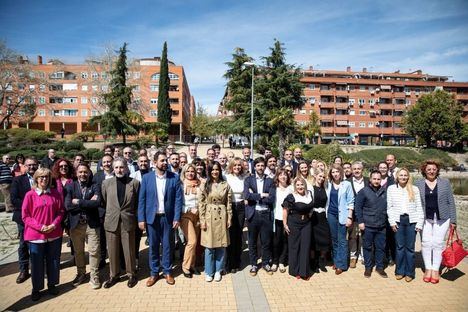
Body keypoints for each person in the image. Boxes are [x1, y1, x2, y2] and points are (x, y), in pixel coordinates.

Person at [138, 152, 183, 286]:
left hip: (168, 219)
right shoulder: (146, 178)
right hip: (152, 218)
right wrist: (141, 219)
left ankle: (167, 271)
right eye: (162, 160)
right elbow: (142, 200)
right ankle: (154, 273)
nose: (165, 163)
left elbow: (178, 200)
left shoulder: (174, 178)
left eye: (166, 160)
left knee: (167, 246)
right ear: (155, 162)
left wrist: (176, 217)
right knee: (153, 246)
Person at [22, 168, 64, 301]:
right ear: (36, 179)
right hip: (36, 236)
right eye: (41, 177)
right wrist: (40, 227)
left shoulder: (55, 194)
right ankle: (36, 288)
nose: (44, 179)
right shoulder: (30, 195)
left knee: (54, 261)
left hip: (54, 233)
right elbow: (25, 216)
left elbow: (61, 212)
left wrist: (53, 225)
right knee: (36, 264)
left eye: (46, 177)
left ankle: (52, 284)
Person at [415, 160, 457, 284]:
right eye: (429, 169)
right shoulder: (419, 183)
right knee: (426, 243)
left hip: (443, 218)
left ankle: (435, 270)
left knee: (438, 243)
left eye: (434, 169)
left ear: (437, 170)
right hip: (425, 219)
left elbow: (451, 202)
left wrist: (453, 220)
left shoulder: (445, 183)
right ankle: (428, 268)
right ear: (424, 171)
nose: (431, 171)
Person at [101, 159, 140, 288]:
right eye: (116, 167)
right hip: (112, 221)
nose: (119, 170)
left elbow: (137, 204)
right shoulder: (106, 184)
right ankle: (114, 275)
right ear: (113, 169)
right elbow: (104, 201)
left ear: (126, 168)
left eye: (122, 167)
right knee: (112, 250)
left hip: (128, 221)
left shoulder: (134, 183)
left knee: (129, 250)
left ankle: (131, 274)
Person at [65, 163, 102, 289]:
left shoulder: (95, 185)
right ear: (76, 173)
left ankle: (94, 275)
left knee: (94, 251)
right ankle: (81, 273)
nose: (83, 174)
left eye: (85, 172)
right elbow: (68, 206)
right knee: (78, 252)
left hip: (92, 224)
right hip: (76, 225)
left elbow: (97, 203)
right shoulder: (70, 187)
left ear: (89, 173)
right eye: (80, 172)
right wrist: (88, 203)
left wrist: (79, 202)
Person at [387, 168, 424, 282]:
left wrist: (419, 223)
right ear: (397, 177)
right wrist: (392, 222)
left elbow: (419, 207)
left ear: (408, 177)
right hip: (398, 221)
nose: (403, 177)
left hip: (411, 221)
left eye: (405, 175)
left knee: (410, 248)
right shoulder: (391, 189)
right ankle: (399, 271)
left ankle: (410, 273)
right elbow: (390, 207)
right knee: (399, 247)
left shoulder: (414, 189)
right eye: (401, 175)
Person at [199, 161, 232, 282]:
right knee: (209, 246)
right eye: (212, 169)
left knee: (221, 245)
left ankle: (218, 270)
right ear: (209, 171)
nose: (215, 171)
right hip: (209, 215)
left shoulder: (225, 184)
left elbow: (229, 203)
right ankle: (208, 271)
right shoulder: (205, 185)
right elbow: (201, 203)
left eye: (217, 169)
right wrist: (202, 220)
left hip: (222, 215)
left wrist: (229, 217)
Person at [244, 157, 276, 276]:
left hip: (266, 214)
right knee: (252, 241)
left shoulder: (270, 180)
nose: (260, 168)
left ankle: (265, 263)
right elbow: (246, 195)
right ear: (255, 167)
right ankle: (253, 264)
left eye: (262, 165)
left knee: (266, 241)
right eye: (258, 166)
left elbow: (272, 198)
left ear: (265, 167)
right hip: (253, 214)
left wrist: (255, 195)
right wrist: (262, 195)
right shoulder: (249, 180)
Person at [355, 170, 388, 278]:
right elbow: (358, 208)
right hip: (368, 225)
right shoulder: (363, 191)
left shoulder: (385, 191)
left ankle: (379, 267)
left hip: (381, 225)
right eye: (374, 179)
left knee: (380, 247)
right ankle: (368, 268)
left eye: (378, 179)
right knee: (367, 247)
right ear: (370, 179)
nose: (376, 181)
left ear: (381, 180)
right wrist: (360, 222)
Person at [11, 157, 38, 284]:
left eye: (34, 165)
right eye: (29, 165)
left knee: (37, 243)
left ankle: (37, 268)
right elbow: (14, 200)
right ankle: (24, 270)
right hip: (23, 218)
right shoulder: (17, 180)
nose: (32, 167)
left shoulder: (43, 179)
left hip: (39, 218)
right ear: (25, 167)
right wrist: (30, 207)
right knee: (23, 244)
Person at [283, 177, 314, 280]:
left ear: (305, 185)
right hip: (294, 223)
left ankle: (304, 271)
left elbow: (311, 207)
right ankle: (295, 271)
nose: (300, 187)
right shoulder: (291, 197)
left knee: (305, 246)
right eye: (298, 185)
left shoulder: (309, 194)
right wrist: (285, 224)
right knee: (294, 246)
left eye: (302, 184)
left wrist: (310, 214)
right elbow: (285, 210)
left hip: (306, 223)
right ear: (295, 186)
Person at [326, 164, 354, 275]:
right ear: (330, 174)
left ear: (341, 172)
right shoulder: (328, 184)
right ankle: (336, 261)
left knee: (342, 240)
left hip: (343, 215)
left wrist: (349, 217)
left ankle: (341, 265)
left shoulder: (346, 184)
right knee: (334, 239)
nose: (335, 174)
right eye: (333, 172)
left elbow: (351, 201)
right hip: (331, 215)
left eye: (337, 171)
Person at [180, 164, 202, 278]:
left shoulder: (199, 184)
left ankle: (192, 265)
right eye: (188, 171)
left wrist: (199, 209)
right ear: (184, 173)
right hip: (186, 215)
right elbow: (178, 202)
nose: (190, 173)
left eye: (192, 171)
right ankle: (185, 267)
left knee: (195, 242)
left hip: (197, 216)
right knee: (191, 241)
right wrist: (189, 209)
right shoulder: (181, 185)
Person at [92, 154, 114, 269]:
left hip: (115, 211)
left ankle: (116, 259)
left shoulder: (118, 174)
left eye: (109, 161)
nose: (106, 164)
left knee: (114, 236)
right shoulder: (97, 176)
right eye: (104, 162)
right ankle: (102, 259)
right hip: (101, 211)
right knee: (101, 236)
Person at [225, 157, 247, 273]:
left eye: (239, 165)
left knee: (238, 234)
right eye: (235, 165)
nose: (237, 167)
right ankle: (229, 262)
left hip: (241, 207)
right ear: (231, 167)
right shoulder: (226, 177)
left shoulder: (245, 178)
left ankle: (237, 262)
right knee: (230, 234)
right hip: (230, 207)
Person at [347, 161, 368, 268]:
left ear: (362, 169)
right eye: (354, 169)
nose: (356, 171)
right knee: (353, 236)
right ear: (351, 170)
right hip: (352, 214)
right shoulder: (347, 182)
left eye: (358, 168)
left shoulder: (368, 181)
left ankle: (364, 256)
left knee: (365, 236)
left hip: (366, 213)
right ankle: (353, 256)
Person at [272, 168, 292, 273]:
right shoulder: (274, 188)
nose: (283, 176)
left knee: (285, 241)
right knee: (276, 241)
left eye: (285, 174)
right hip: (276, 218)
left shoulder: (291, 188)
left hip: (288, 219)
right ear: (277, 177)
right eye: (281, 175)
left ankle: (281, 261)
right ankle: (275, 261)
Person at [310, 168, 331, 273]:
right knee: (314, 240)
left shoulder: (326, 188)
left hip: (323, 216)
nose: (321, 178)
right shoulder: (311, 188)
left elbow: (327, 203)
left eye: (323, 177)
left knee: (324, 239)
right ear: (315, 176)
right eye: (320, 176)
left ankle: (322, 262)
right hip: (313, 216)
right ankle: (314, 263)